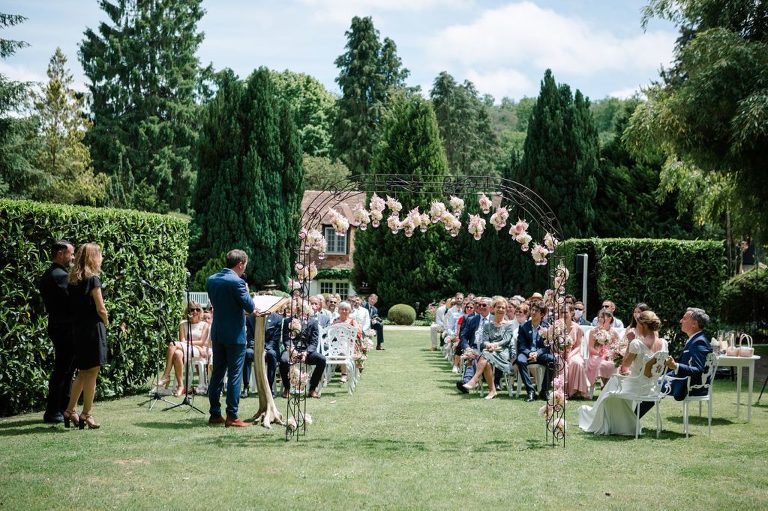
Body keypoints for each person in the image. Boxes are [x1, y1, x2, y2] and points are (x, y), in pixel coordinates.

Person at [578, 311, 668, 435]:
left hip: (637, 387)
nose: (636, 327)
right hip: (652, 387)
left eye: (637, 324)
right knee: (613, 384)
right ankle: (620, 424)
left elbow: (625, 365)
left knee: (612, 384)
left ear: (643, 325)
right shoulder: (664, 343)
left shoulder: (637, 343)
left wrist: (631, 341)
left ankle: (601, 420)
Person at [206, 249, 259, 428]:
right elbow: (250, 306)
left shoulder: (211, 280)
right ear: (240, 264)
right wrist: (246, 290)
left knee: (217, 374)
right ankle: (232, 416)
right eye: (245, 266)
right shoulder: (238, 282)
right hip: (235, 335)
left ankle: (214, 414)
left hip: (218, 332)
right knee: (235, 375)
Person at [64, 243, 109, 429]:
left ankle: (70, 410)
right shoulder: (93, 280)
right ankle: (86, 414)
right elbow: (101, 308)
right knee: (93, 372)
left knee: (82, 372)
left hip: (78, 329)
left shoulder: (73, 280)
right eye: (99, 255)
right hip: (92, 329)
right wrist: (106, 322)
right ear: (93, 258)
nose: (102, 258)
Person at [39, 240, 76, 424]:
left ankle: (60, 409)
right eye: (71, 253)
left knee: (63, 369)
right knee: (64, 370)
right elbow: (72, 302)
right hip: (65, 328)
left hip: (56, 325)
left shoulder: (49, 274)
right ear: (61, 253)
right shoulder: (60, 276)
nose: (73, 257)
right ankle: (56, 410)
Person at [457, 298, 516, 400]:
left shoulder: (509, 325)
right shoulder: (488, 325)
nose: (501, 309)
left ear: (505, 310)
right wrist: (488, 344)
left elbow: (506, 340)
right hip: (488, 351)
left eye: (503, 307)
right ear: (493, 308)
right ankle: (492, 390)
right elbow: (484, 339)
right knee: (486, 360)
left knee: (484, 353)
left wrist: (493, 345)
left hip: (502, 352)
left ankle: (473, 380)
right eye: (498, 307)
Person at [157, 301, 210, 397]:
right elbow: (182, 340)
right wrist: (191, 343)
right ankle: (181, 386)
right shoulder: (183, 324)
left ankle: (166, 375)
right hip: (186, 348)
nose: (195, 311)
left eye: (197, 309)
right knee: (177, 353)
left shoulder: (204, 325)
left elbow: (201, 342)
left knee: (172, 344)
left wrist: (194, 345)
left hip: (199, 350)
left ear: (200, 311)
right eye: (192, 309)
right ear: (188, 311)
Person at [664, 308, 714, 401]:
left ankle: (633, 415)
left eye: (684, 318)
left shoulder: (699, 342)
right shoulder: (696, 339)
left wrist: (675, 366)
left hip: (686, 387)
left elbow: (698, 370)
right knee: (649, 384)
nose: (680, 321)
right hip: (682, 382)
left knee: (648, 386)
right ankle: (633, 415)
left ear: (694, 324)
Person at [279, 302, 325, 398]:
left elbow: (314, 342)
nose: (300, 310)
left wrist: (306, 352)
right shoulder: (288, 321)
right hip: (291, 350)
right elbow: (286, 339)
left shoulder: (313, 322)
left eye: (302, 308)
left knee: (321, 359)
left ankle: (312, 388)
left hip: (306, 351)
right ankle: (287, 388)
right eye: (298, 308)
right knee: (283, 360)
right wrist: (291, 349)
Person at [515, 300, 554, 402]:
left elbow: (548, 346)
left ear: (542, 314)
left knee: (552, 360)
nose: (532, 312)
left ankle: (544, 390)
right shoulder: (524, 327)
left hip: (540, 354)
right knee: (520, 360)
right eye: (532, 310)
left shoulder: (547, 327)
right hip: (526, 353)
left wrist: (537, 353)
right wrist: (530, 353)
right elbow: (521, 345)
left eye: (536, 311)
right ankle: (530, 391)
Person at [330, 301, 363, 382]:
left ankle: (344, 374)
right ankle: (341, 372)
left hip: (351, 345)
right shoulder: (335, 321)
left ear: (349, 311)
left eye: (346, 309)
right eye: (342, 309)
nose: (344, 311)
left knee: (343, 346)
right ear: (339, 310)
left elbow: (358, 334)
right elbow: (330, 334)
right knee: (341, 345)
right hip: (336, 345)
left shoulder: (353, 321)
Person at [561, 305, 589, 399]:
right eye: (562, 312)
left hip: (574, 352)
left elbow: (578, 346)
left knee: (577, 363)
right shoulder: (556, 326)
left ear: (571, 313)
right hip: (558, 353)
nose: (563, 314)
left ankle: (575, 391)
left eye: (565, 312)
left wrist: (570, 355)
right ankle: (562, 392)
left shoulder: (577, 328)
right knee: (561, 364)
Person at [586, 310, 620, 387]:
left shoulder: (614, 332)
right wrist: (599, 353)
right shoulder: (593, 331)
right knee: (601, 364)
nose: (600, 319)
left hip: (610, 356)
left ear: (610, 318)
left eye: (603, 317)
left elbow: (617, 347)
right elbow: (590, 348)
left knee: (613, 365)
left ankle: (607, 387)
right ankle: (606, 387)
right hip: (596, 356)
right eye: (599, 317)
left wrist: (610, 354)